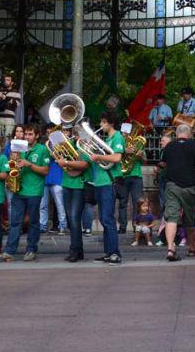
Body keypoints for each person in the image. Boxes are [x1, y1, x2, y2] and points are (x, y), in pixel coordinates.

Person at [0, 124, 50, 262]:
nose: (27, 137)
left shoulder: (43, 149)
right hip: (18, 189)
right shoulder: (19, 147)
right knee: (15, 222)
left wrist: (29, 164)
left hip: (34, 190)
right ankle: (9, 251)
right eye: (25, 134)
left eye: (30, 134)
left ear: (37, 135)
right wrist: (12, 161)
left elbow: (45, 171)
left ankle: (31, 250)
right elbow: (10, 167)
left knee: (33, 222)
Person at [160, 123, 195, 260]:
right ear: (190, 134)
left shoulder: (169, 146)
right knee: (190, 219)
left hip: (172, 186)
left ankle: (170, 249)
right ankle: (192, 248)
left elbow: (163, 163)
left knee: (171, 217)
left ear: (176, 134)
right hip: (190, 187)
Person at [87, 112, 124, 265]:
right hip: (101, 182)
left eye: (103, 122)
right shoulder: (107, 139)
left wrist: (98, 157)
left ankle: (115, 253)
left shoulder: (117, 137)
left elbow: (117, 157)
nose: (101, 125)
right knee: (103, 218)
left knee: (108, 218)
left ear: (111, 123)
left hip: (109, 182)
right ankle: (108, 252)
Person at [58, 143, 91, 262]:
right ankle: (78, 250)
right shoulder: (67, 145)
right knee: (70, 218)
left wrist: (66, 163)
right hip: (66, 183)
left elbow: (84, 164)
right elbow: (57, 158)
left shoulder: (85, 146)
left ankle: (75, 250)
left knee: (74, 218)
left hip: (79, 185)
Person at [115, 124, 146, 235]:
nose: (125, 135)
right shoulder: (118, 144)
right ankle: (122, 227)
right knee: (122, 203)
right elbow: (114, 157)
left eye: (127, 133)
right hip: (122, 176)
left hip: (136, 176)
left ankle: (136, 226)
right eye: (123, 133)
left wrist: (140, 155)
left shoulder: (137, 143)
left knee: (137, 203)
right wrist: (124, 152)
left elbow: (144, 161)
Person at [0, 73, 21, 138]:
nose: (5, 81)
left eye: (8, 80)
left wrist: (7, 98)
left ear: (12, 83)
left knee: (8, 137)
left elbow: (17, 104)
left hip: (9, 118)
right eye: (5, 80)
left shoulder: (16, 92)